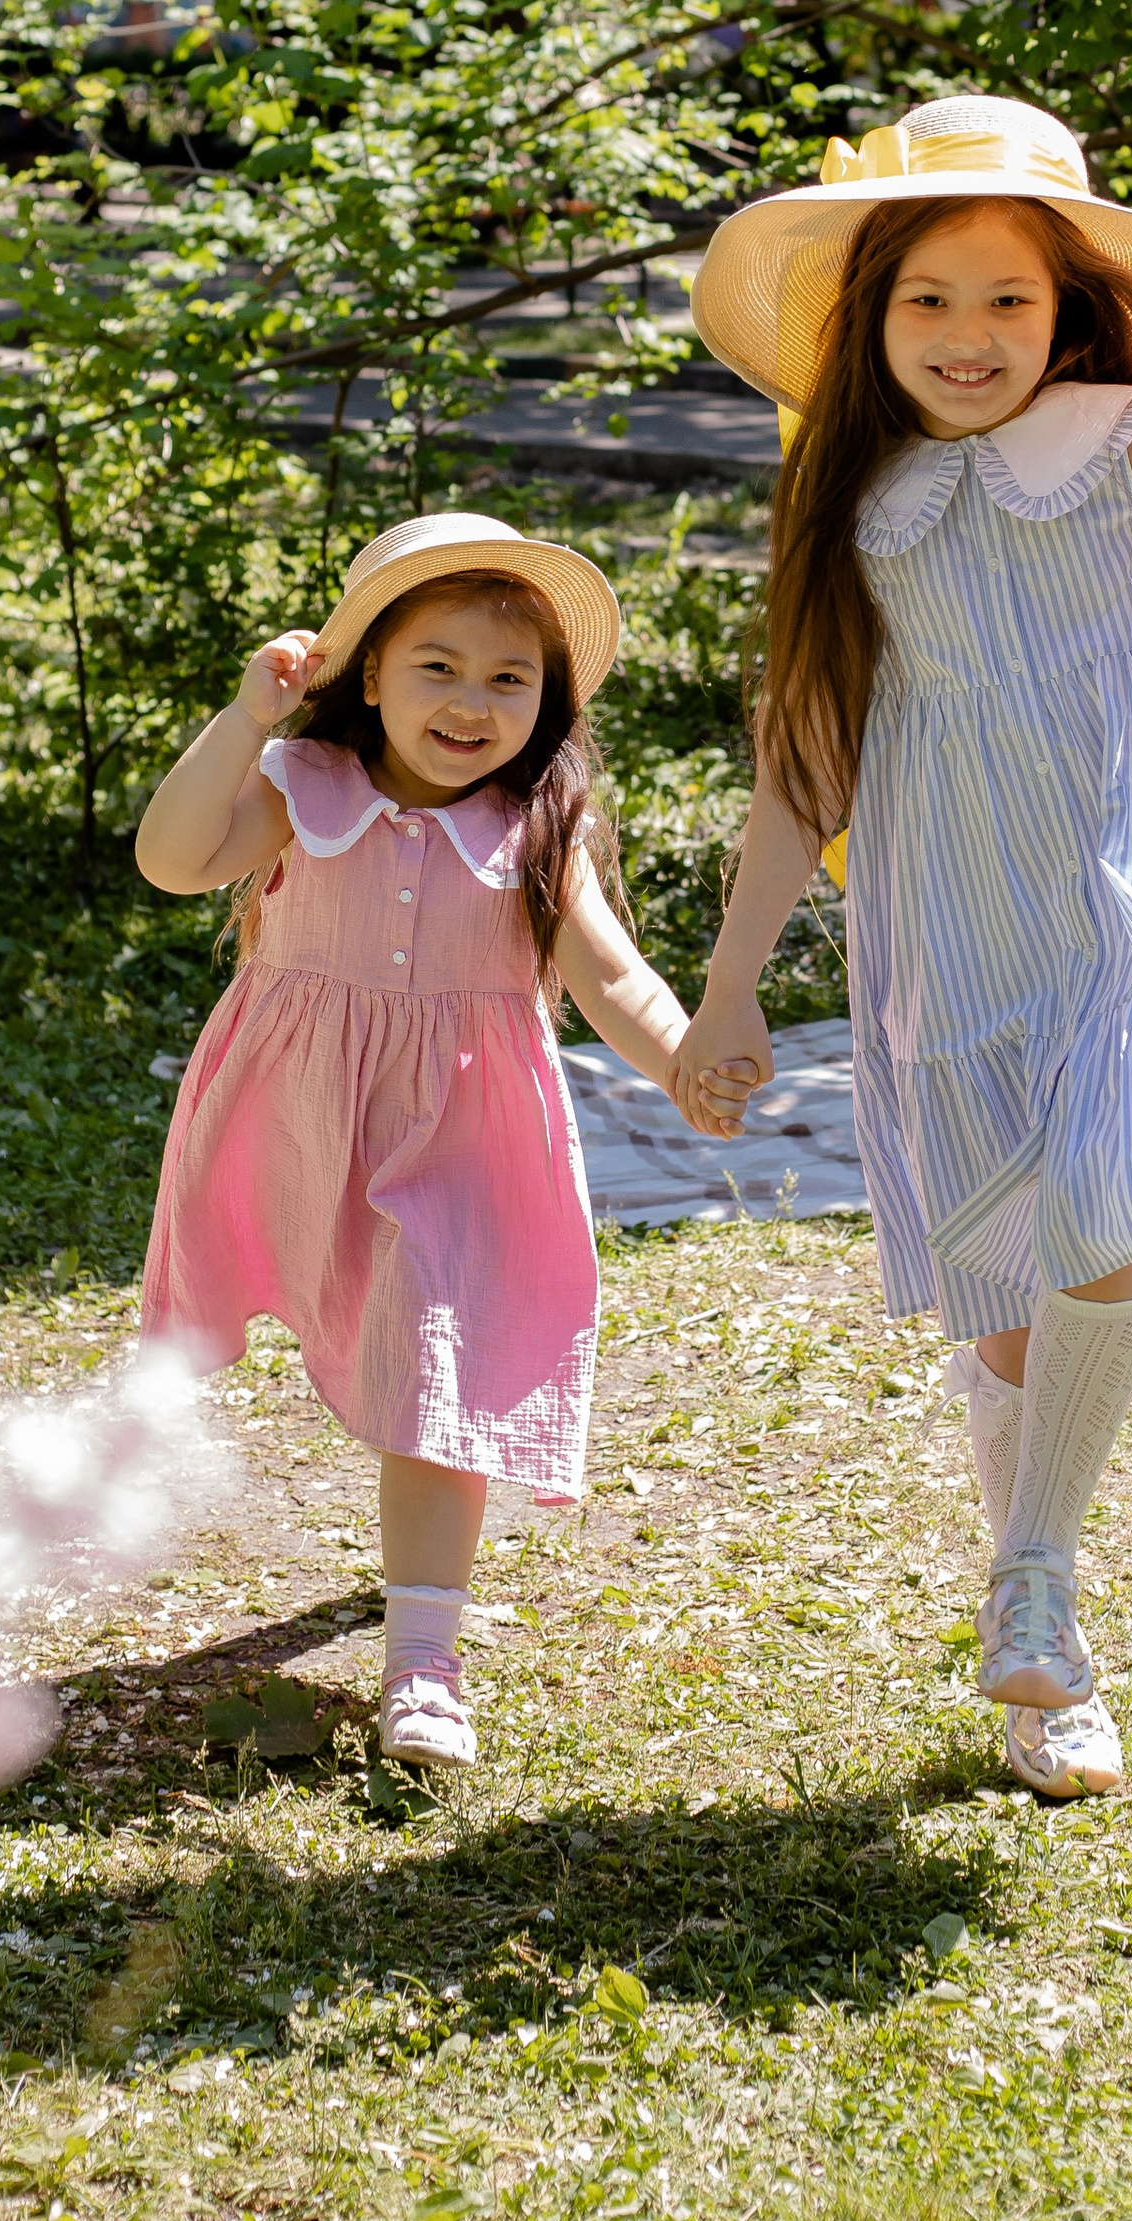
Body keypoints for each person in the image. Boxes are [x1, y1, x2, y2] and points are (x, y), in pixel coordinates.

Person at [674, 96, 1132, 1802]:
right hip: (955, 913)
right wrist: (731, 980)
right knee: (1004, 1306)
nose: (967, 333)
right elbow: (805, 760)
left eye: (1007, 297)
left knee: (1117, 1202)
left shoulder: (1130, 438)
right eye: (928, 298)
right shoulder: (860, 500)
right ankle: (1042, 1670)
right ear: (870, 320)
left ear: (1067, 312)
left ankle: (1036, 1574)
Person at [134, 512, 726, 1770]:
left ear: (547, 703)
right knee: (373, 1338)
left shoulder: (535, 823)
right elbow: (173, 860)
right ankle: (411, 1616)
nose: (471, 702)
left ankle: (422, 1664)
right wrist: (244, 718)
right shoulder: (305, 787)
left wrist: (681, 1055)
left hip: (465, 1134)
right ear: (367, 677)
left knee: (437, 1377)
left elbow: (610, 976)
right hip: (302, 1117)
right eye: (437, 667)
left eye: (510, 678)